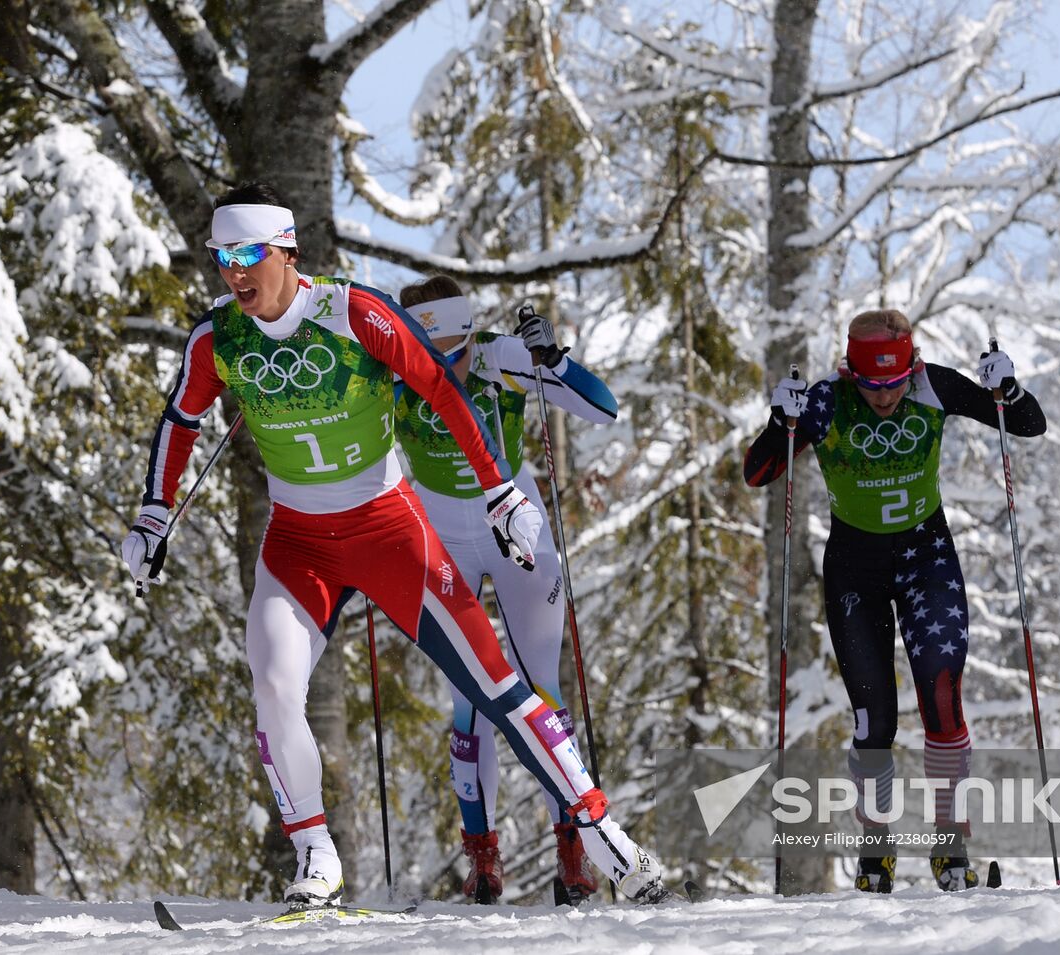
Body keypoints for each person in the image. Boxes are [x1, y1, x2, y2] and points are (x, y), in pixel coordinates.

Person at [120, 181, 670, 907]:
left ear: (288, 248)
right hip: (298, 542)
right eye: (223, 256)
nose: (235, 272)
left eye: (250, 253)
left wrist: (502, 491)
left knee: (499, 685)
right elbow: (179, 418)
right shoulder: (218, 337)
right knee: (275, 683)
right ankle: (314, 853)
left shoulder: (355, 313)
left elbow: (442, 389)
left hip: (388, 528)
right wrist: (155, 511)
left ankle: (606, 837)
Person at [743, 309, 1046, 893]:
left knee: (942, 693)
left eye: (895, 383)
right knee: (873, 717)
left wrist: (1007, 390)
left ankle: (950, 843)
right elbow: (758, 472)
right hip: (856, 569)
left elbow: (1027, 424)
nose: (885, 397)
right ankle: (875, 851)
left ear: (912, 368)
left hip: (925, 556)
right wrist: (781, 421)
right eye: (871, 385)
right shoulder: (828, 401)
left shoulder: (935, 384)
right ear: (850, 373)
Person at [392, 276, 616, 905]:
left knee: (540, 688)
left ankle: (573, 852)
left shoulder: (498, 356)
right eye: (434, 355)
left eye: (458, 350)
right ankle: (483, 857)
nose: (450, 368)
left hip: (517, 525)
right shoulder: (392, 362)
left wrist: (555, 361)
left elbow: (604, 407)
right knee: (468, 695)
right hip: (443, 533)